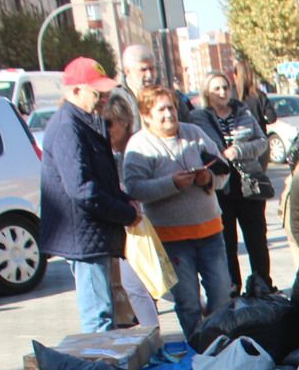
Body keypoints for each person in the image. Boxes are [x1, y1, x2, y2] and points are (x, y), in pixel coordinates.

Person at [39, 57, 140, 334]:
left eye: (106, 91)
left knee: (103, 314)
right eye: (98, 92)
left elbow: (101, 180)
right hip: (84, 239)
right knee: (99, 319)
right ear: (75, 91)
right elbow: (82, 189)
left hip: (92, 235)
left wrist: (123, 200)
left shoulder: (83, 123)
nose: (105, 98)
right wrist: (126, 213)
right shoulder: (67, 128)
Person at [123, 87, 232, 339]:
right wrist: (172, 183)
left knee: (222, 294)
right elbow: (134, 188)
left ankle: (220, 342)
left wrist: (207, 178)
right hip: (172, 239)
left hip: (210, 231)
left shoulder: (194, 133)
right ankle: (197, 346)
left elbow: (223, 172)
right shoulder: (139, 145)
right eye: (161, 109)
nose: (169, 114)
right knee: (188, 301)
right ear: (146, 115)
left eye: (171, 107)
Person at [193, 70, 272, 292]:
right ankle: (232, 286)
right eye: (216, 88)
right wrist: (218, 156)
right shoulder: (198, 118)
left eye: (225, 87)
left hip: (249, 184)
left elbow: (261, 142)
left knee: (256, 239)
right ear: (207, 92)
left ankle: (262, 284)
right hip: (220, 188)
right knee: (227, 242)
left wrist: (238, 150)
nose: (222, 92)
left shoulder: (243, 111)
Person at [100, 93, 162, 329]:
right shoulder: (107, 151)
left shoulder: (134, 148)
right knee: (138, 285)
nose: (106, 130)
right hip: (128, 225)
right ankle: (152, 333)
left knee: (150, 282)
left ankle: (154, 334)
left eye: (110, 123)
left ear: (124, 122)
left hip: (144, 223)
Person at [115, 43, 191, 135]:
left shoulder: (170, 96)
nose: (149, 75)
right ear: (127, 71)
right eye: (143, 70)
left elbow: (189, 129)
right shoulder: (116, 100)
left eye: (152, 69)